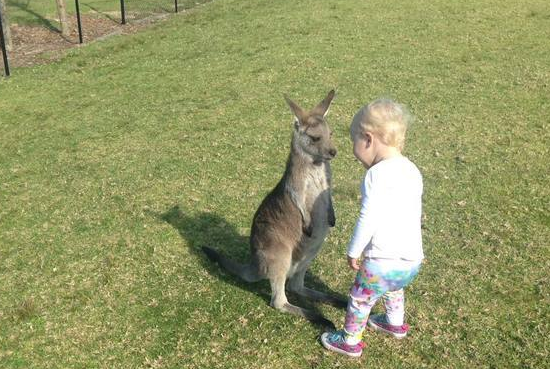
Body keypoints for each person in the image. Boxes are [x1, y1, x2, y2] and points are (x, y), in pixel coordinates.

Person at [321, 99, 424, 358]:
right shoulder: (411, 169)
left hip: (381, 263)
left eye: (354, 142)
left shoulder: (376, 175)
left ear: (368, 139)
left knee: (360, 298)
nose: (355, 152)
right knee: (393, 287)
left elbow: (368, 217)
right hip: (411, 262)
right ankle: (395, 323)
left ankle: (349, 340)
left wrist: (354, 250)